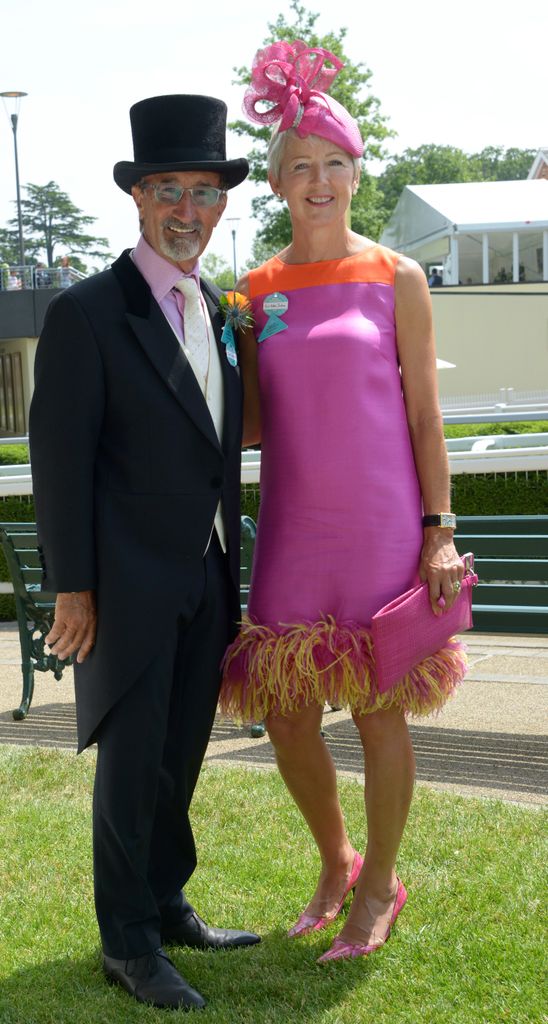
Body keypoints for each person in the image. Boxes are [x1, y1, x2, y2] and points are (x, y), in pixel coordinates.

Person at [221, 42, 467, 963]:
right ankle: (336, 860)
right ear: (278, 181)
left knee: (377, 710)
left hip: (379, 529)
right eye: (300, 167)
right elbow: (245, 423)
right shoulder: (257, 291)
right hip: (291, 527)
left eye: (334, 164)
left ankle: (377, 891)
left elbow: (424, 418)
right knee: (284, 712)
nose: (317, 181)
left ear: (355, 173)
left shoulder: (398, 277)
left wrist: (437, 533)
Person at [29, 94, 260, 1012]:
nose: (187, 210)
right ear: (137, 196)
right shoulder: (87, 311)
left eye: (205, 193)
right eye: (169, 189)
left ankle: (165, 902)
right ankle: (125, 942)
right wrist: (72, 588)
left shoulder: (222, 308)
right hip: (122, 584)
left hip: (206, 571)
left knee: (182, 752)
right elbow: (59, 458)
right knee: (132, 765)